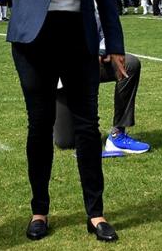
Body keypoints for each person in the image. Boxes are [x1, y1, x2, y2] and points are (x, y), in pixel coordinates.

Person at [5, 0, 127, 243]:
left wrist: (115, 42)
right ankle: (39, 209)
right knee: (39, 125)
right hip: (34, 37)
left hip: (77, 32)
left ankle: (96, 212)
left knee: (87, 126)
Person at [55, 12, 150, 157]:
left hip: (90, 63)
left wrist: (102, 51)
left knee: (129, 65)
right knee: (66, 142)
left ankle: (117, 134)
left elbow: (107, 29)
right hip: (63, 73)